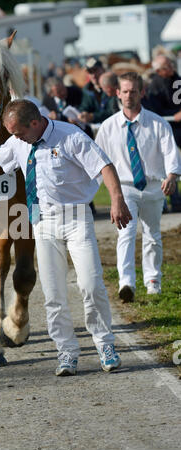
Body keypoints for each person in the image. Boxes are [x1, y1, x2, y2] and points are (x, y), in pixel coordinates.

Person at [0, 99, 132, 376]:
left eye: (18, 132)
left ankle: (105, 345)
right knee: (53, 293)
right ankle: (66, 351)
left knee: (91, 285)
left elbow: (104, 166)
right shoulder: (19, 141)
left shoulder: (69, 136)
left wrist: (117, 200)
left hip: (76, 218)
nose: (16, 138)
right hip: (42, 223)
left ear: (35, 123)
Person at [96, 72, 181, 302]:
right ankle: (127, 283)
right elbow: (96, 159)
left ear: (142, 92)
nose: (129, 95)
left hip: (154, 187)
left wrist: (172, 175)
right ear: (117, 93)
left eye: (133, 91)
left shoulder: (157, 123)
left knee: (153, 235)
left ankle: (153, 280)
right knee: (126, 233)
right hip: (124, 189)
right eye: (124, 91)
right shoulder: (108, 127)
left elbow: (170, 152)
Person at [147, 54, 181, 212]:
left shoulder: (176, 79)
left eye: (171, 65)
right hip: (166, 131)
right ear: (159, 70)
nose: (171, 68)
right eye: (167, 66)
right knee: (168, 167)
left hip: (178, 130)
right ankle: (170, 202)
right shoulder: (154, 86)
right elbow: (156, 110)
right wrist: (174, 115)